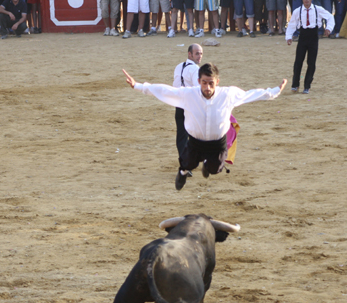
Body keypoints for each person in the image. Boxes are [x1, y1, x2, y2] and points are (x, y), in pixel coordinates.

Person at [123, 63, 287, 190]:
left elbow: (251, 94)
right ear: (198, 81)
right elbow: (165, 91)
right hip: (195, 141)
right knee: (187, 163)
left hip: (217, 142)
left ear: (217, 82)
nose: (207, 88)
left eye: (211, 83)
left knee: (215, 169)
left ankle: (208, 165)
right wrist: (138, 86)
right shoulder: (188, 94)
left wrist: (274, 91)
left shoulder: (228, 94)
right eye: (204, 83)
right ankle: (182, 173)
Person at [286, 0, 334, 94]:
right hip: (302, 36)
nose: (307, 1)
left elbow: (330, 17)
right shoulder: (297, 11)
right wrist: (288, 37)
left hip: (313, 37)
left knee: (311, 63)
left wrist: (329, 28)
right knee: (298, 62)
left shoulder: (318, 9)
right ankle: (295, 84)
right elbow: (292, 24)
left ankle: (307, 86)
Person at [173, 43, 203, 165]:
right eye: (197, 54)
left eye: (201, 54)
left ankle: (184, 163)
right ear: (189, 54)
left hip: (179, 104)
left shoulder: (178, 66)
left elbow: (175, 85)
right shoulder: (195, 69)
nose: (199, 56)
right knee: (198, 135)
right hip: (191, 106)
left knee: (182, 135)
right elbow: (199, 89)